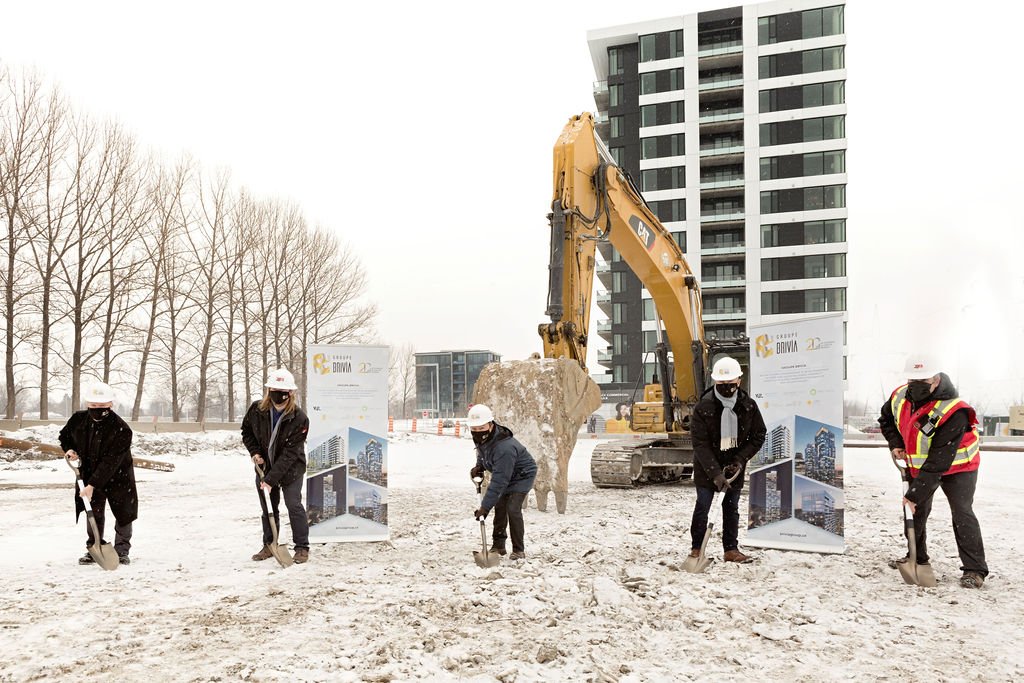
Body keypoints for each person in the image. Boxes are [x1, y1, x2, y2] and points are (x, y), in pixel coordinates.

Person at [878, 355, 987, 588]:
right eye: (912, 379)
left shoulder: (954, 410)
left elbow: (939, 461)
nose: (916, 385)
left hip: (959, 467)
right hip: (921, 466)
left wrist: (914, 495)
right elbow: (885, 419)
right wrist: (896, 442)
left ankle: (974, 570)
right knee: (915, 513)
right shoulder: (899, 396)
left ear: (936, 379)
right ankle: (917, 557)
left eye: (923, 379)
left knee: (962, 513)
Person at [689, 356, 766, 563]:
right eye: (722, 384)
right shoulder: (703, 407)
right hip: (707, 468)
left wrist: (740, 460)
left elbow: (759, 435)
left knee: (731, 509)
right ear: (715, 382)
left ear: (739, 381)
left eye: (731, 384)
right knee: (703, 507)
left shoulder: (748, 406)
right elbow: (700, 444)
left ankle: (731, 550)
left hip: (734, 468)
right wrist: (714, 472)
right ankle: (697, 549)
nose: (727, 388)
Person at [60, 381, 137, 566]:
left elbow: (111, 461)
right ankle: (93, 546)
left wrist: (92, 485)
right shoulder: (78, 420)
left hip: (118, 476)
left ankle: (121, 551)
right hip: (89, 474)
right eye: (94, 405)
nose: (97, 409)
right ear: (88, 404)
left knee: (123, 512)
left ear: (110, 404)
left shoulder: (122, 428)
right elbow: (65, 436)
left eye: (102, 406)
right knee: (93, 512)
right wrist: (69, 448)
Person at [241, 368, 311, 564]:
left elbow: (291, 453)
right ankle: (270, 544)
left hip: (291, 469)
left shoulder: (299, 418)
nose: (276, 393)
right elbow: (246, 432)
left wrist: (271, 480)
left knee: (293, 505)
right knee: (268, 508)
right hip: (265, 468)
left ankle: (302, 547)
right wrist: (255, 452)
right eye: (273, 388)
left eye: (282, 390)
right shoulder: (257, 410)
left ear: (290, 393)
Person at [467, 404, 537, 561]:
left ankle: (519, 550)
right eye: (474, 429)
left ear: (491, 425)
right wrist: (480, 466)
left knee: (512, 508)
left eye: (481, 427)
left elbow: (499, 481)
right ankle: (499, 546)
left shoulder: (504, 447)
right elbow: (483, 451)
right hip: (505, 472)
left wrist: (484, 508)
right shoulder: (485, 438)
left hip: (522, 475)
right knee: (500, 507)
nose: (478, 432)